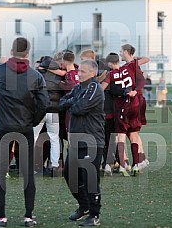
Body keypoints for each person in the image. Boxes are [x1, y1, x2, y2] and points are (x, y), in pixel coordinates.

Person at [0, 37, 49, 227]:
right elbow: (44, 103)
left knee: (0, 171)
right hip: (24, 127)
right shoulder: (35, 75)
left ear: (12, 50)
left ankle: (1, 217)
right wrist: (33, 120)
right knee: (28, 172)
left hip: (4, 126)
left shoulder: (0, 70)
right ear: (28, 53)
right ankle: (28, 217)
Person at [59, 60, 105, 226]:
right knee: (69, 174)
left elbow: (80, 108)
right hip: (77, 140)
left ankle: (95, 214)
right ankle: (84, 206)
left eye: (83, 71)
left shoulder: (94, 88)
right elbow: (62, 102)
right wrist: (73, 103)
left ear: (92, 73)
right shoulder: (79, 88)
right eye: (80, 71)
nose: (79, 74)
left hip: (92, 140)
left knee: (90, 179)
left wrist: (72, 103)